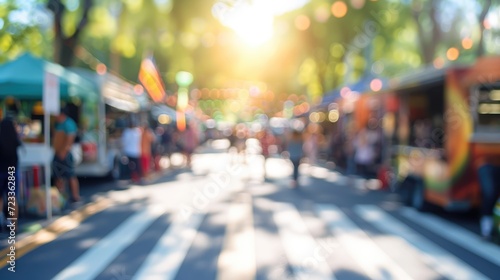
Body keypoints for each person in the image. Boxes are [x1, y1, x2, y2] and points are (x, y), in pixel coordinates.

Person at [52, 107, 80, 203]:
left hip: (66, 154)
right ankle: (60, 197)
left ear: (62, 114)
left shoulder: (69, 123)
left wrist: (64, 152)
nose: (55, 116)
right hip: (57, 152)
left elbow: (70, 139)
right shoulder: (57, 123)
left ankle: (75, 196)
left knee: (70, 175)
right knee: (58, 175)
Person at [0, 116, 22, 231]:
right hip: (12, 172)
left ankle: (1, 222)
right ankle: (14, 225)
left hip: (0, 172)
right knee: (12, 198)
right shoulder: (15, 141)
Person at [286, 123, 305, 188]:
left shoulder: (292, 140)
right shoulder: (300, 140)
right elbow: (301, 148)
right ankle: (295, 179)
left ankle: (294, 179)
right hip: (298, 156)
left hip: (293, 156)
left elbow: (289, 148)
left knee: (295, 168)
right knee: (296, 168)